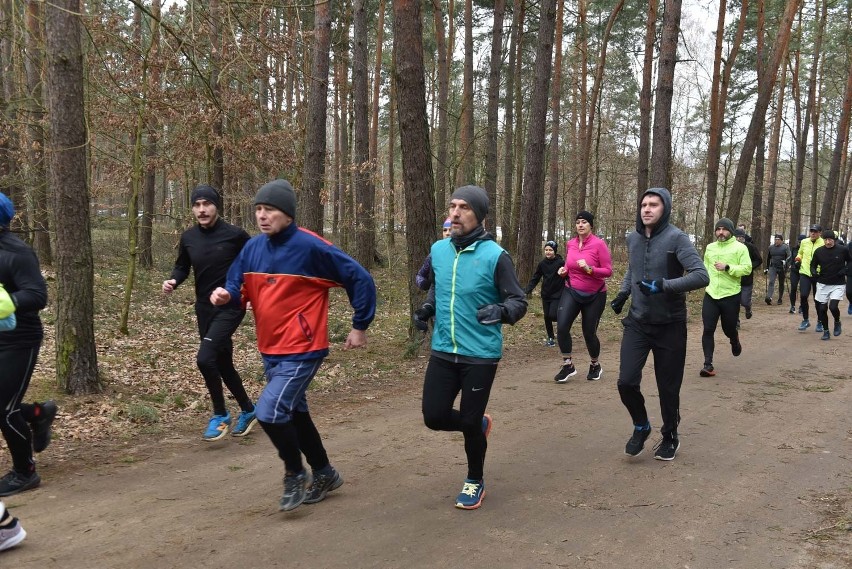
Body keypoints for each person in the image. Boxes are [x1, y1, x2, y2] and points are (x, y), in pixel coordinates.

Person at [210, 179, 376, 512]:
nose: (262, 216)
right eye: (258, 209)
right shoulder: (253, 248)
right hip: (270, 348)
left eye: (269, 209)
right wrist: (226, 294)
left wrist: (359, 326)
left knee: (270, 413)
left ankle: (294, 473)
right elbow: (236, 283)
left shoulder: (311, 247)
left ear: (287, 213)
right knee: (295, 414)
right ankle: (325, 473)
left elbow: (360, 277)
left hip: (303, 348)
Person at [413, 185, 527, 509]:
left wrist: (501, 312)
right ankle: (478, 424)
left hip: (480, 353)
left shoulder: (496, 256)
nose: (456, 212)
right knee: (433, 416)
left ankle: (474, 480)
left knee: (467, 420)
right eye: (452, 206)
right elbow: (438, 289)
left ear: (479, 215)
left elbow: (518, 301)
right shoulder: (438, 250)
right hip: (443, 348)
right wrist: (425, 310)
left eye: (464, 207)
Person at [609, 188, 708, 461]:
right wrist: (623, 293)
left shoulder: (677, 239)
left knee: (668, 388)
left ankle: (670, 436)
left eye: (654, 204)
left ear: (665, 209)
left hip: (670, 325)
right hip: (638, 322)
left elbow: (701, 276)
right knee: (626, 381)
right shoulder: (633, 239)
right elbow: (633, 268)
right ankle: (641, 425)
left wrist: (664, 286)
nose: (647, 209)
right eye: (643, 204)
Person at [163, 185, 257, 441]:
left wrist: (250, 295)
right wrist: (173, 281)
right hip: (203, 308)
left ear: (217, 206)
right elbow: (182, 266)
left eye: (207, 204)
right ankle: (249, 410)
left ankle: (220, 415)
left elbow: (254, 265)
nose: (202, 210)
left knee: (205, 359)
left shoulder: (236, 236)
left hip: (230, 306)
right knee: (223, 362)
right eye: (197, 205)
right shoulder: (189, 237)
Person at [0, 193, 56, 497]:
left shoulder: (17, 253)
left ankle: (25, 473)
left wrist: (7, 301)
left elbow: (38, 295)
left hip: (19, 340)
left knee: (4, 409)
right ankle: (37, 414)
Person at [553, 211, 613, 382]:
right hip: (571, 290)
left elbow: (608, 271)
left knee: (589, 333)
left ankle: (595, 365)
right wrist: (564, 271)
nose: (580, 225)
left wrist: (590, 269)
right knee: (562, 326)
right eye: (578, 222)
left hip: (595, 295)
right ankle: (568, 365)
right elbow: (569, 264)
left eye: (584, 222)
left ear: (591, 225)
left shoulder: (599, 245)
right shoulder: (570, 243)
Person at [700, 219, 752, 377]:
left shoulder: (740, 248)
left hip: (730, 295)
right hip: (711, 294)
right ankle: (708, 364)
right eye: (718, 229)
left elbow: (747, 268)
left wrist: (728, 267)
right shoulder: (710, 247)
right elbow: (705, 267)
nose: (720, 232)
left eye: (724, 229)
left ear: (730, 231)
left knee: (728, 329)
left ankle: (734, 339)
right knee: (708, 329)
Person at [810, 230, 850, 340]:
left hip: (838, 283)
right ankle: (826, 331)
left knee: (833, 306)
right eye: (826, 240)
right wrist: (814, 273)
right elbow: (812, 265)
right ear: (823, 240)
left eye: (830, 240)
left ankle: (837, 322)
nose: (828, 242)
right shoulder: (819, 251)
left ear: (834, 240)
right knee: (822, 309)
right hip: (823, 283)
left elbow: (850, 262)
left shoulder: (842, 250)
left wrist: (845, 270)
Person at [523, 240, 564, 347]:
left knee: (553, 315)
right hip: (546, 294)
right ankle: (551, 337)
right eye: (546, 250)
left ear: (554, 251)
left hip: (558, 294)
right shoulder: (542, 264)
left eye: (550, 250)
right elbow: (536, 277)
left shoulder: (561, 263)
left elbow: (568, 276)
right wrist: (527, 290)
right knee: (547, 317)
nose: (548, 252)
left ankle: (563, 329)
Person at [795, 224, 824, 331]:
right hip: (805, 272)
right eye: (811, 231)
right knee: (803, 296)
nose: (813, 233)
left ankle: (820, 321)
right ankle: (805, 320)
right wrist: (797, 259)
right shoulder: (804, 242)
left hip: (818, 274)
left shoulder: (823, 243)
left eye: (815, 231)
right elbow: (800, 253)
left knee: (818, 300)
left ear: (820, 233)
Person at [415, 217, 452, 291]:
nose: (447, 233)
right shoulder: (435, 253)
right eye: (445, 230)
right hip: (439, 299)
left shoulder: (466, 252)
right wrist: (424, 283)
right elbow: (419, 276)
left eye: (451, 230)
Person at [733, 228, 762, 320]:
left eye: (740, 237)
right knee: (735, 302)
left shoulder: (750, 247)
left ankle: (748, 308)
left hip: (747, 279)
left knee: (744, 301)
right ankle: (736, 321)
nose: (738, 239)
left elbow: (759, 260)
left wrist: (749, 267)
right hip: (733, 279)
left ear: (744, 238)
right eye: (736, 237)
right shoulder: (730, 248)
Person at [765, 234, 791, 305]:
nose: (776, 241)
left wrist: (786, 262)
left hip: (782, 267)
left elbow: (789, 256)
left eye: (778, 239)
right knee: (771, 281)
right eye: (775, 239)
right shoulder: (771, 247)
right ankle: (769, 297)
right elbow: (768, 258)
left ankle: (780, 298)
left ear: (782, 240)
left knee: (781, 283)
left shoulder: (785, 247)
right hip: (773, 267)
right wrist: (767, 268)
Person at [788, 233, 806, 314]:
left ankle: (802, 306)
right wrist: (790, 265)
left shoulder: (807, 249)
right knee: (793, 287)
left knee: (803, 290)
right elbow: (792, 259)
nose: (800, 243)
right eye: (799, 242)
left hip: (803, 271)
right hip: (794, 270)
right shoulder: (794, 249)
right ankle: (792, 306)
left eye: (801, 242)